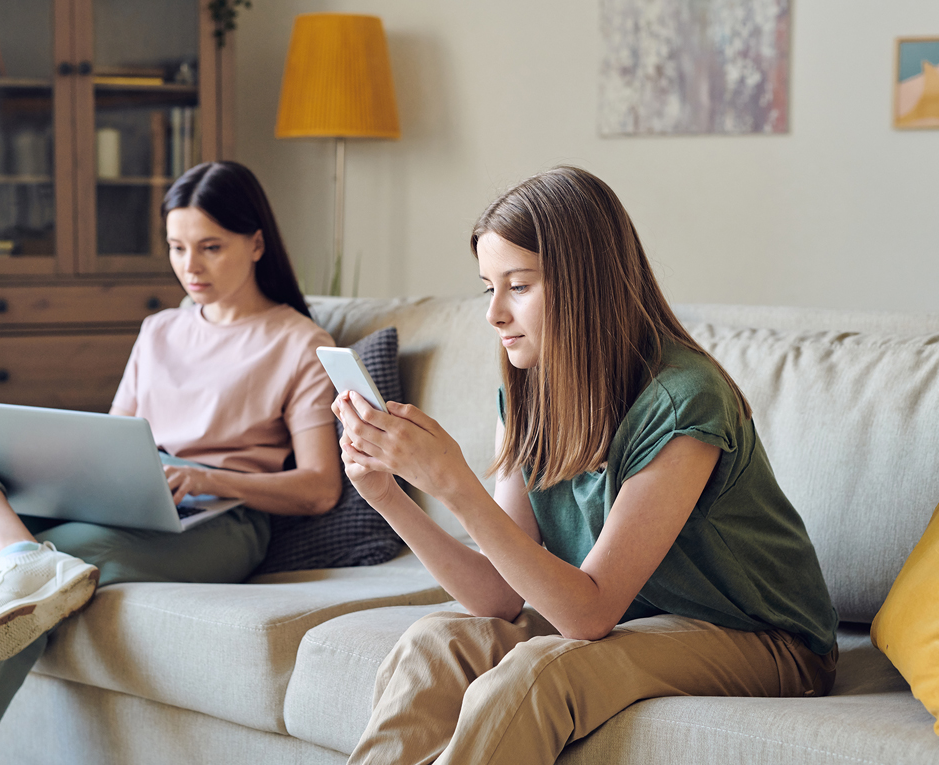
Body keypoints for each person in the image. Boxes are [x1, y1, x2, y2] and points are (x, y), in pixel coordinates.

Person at [333, 166, 838, 765]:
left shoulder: (683, 399)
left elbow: (588, 612)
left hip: (761, 638)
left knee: (542, 671)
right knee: (434, 643)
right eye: (487, 287)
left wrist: (453, 483)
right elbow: (497, 596)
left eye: (517, 286)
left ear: (586, 285)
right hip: (641, 621)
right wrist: (390, 495)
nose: (494, 313)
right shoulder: (529, 392)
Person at [0, 161, 343, 765]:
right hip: (126, 490)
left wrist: (201, 476)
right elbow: (112, 435)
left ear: (256, 243)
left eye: (211, 247)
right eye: (177, 248)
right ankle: (20, 553)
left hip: (218, 520)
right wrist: (60, 463)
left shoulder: (299, 342)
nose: (191, 266)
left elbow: (318, 489)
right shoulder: (159, 330)